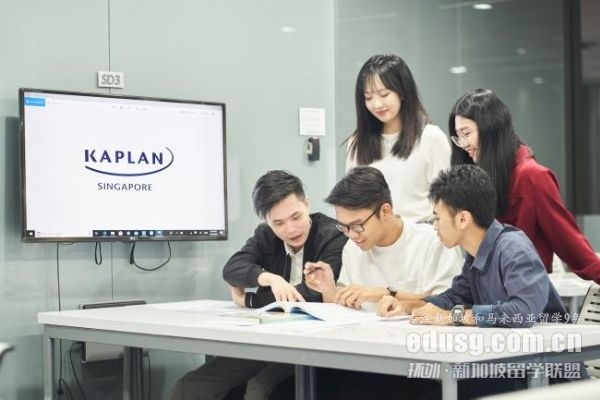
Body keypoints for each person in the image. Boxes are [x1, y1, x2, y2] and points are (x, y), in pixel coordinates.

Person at [378, 164, 580, 399]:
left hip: (547, 378)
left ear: (463, 218)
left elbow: (522, 312)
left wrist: (452, 317)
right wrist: (407, 306)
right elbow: (455, 297)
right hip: (504, 365)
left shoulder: (513, 248)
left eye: (437, 218)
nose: (434, 227)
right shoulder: (476, 253)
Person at [170, 170, 347, 400]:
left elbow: (311, 295)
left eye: (296, 217)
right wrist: (270, 279)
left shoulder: (332, 235)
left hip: (311, 348)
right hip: (265, 343)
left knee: (260, 388)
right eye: (278, 223)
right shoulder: (266, 235)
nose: (291, 229)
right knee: (188, 387)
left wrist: (249, 299)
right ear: (267, 221)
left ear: (307, 204)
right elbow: (232, 269)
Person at [448, 88, 600, 284]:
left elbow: (571, 245)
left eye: (467, 133)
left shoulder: (532, 177)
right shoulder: (484, 178)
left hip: (523, 295)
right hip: (487, 293)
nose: (463, 144)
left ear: (491, 128)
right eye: (458, 136)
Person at [304, 166, 463, 310]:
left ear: (385, 211)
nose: (351, 234)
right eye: (343, 227)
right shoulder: (352, 248)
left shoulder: (434, 242)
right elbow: (343, 311)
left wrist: (383, 293)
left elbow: (451, 305)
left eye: (357, 225)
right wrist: (328, 289)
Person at [345, 54, 451, 223]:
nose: (377, 104)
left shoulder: (431, 138)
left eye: (384, 94)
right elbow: (353, 199)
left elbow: (445, 201)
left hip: (421, 233)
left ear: (402, 92)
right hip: (375, 234)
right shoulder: (358, 142)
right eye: (368, 97)